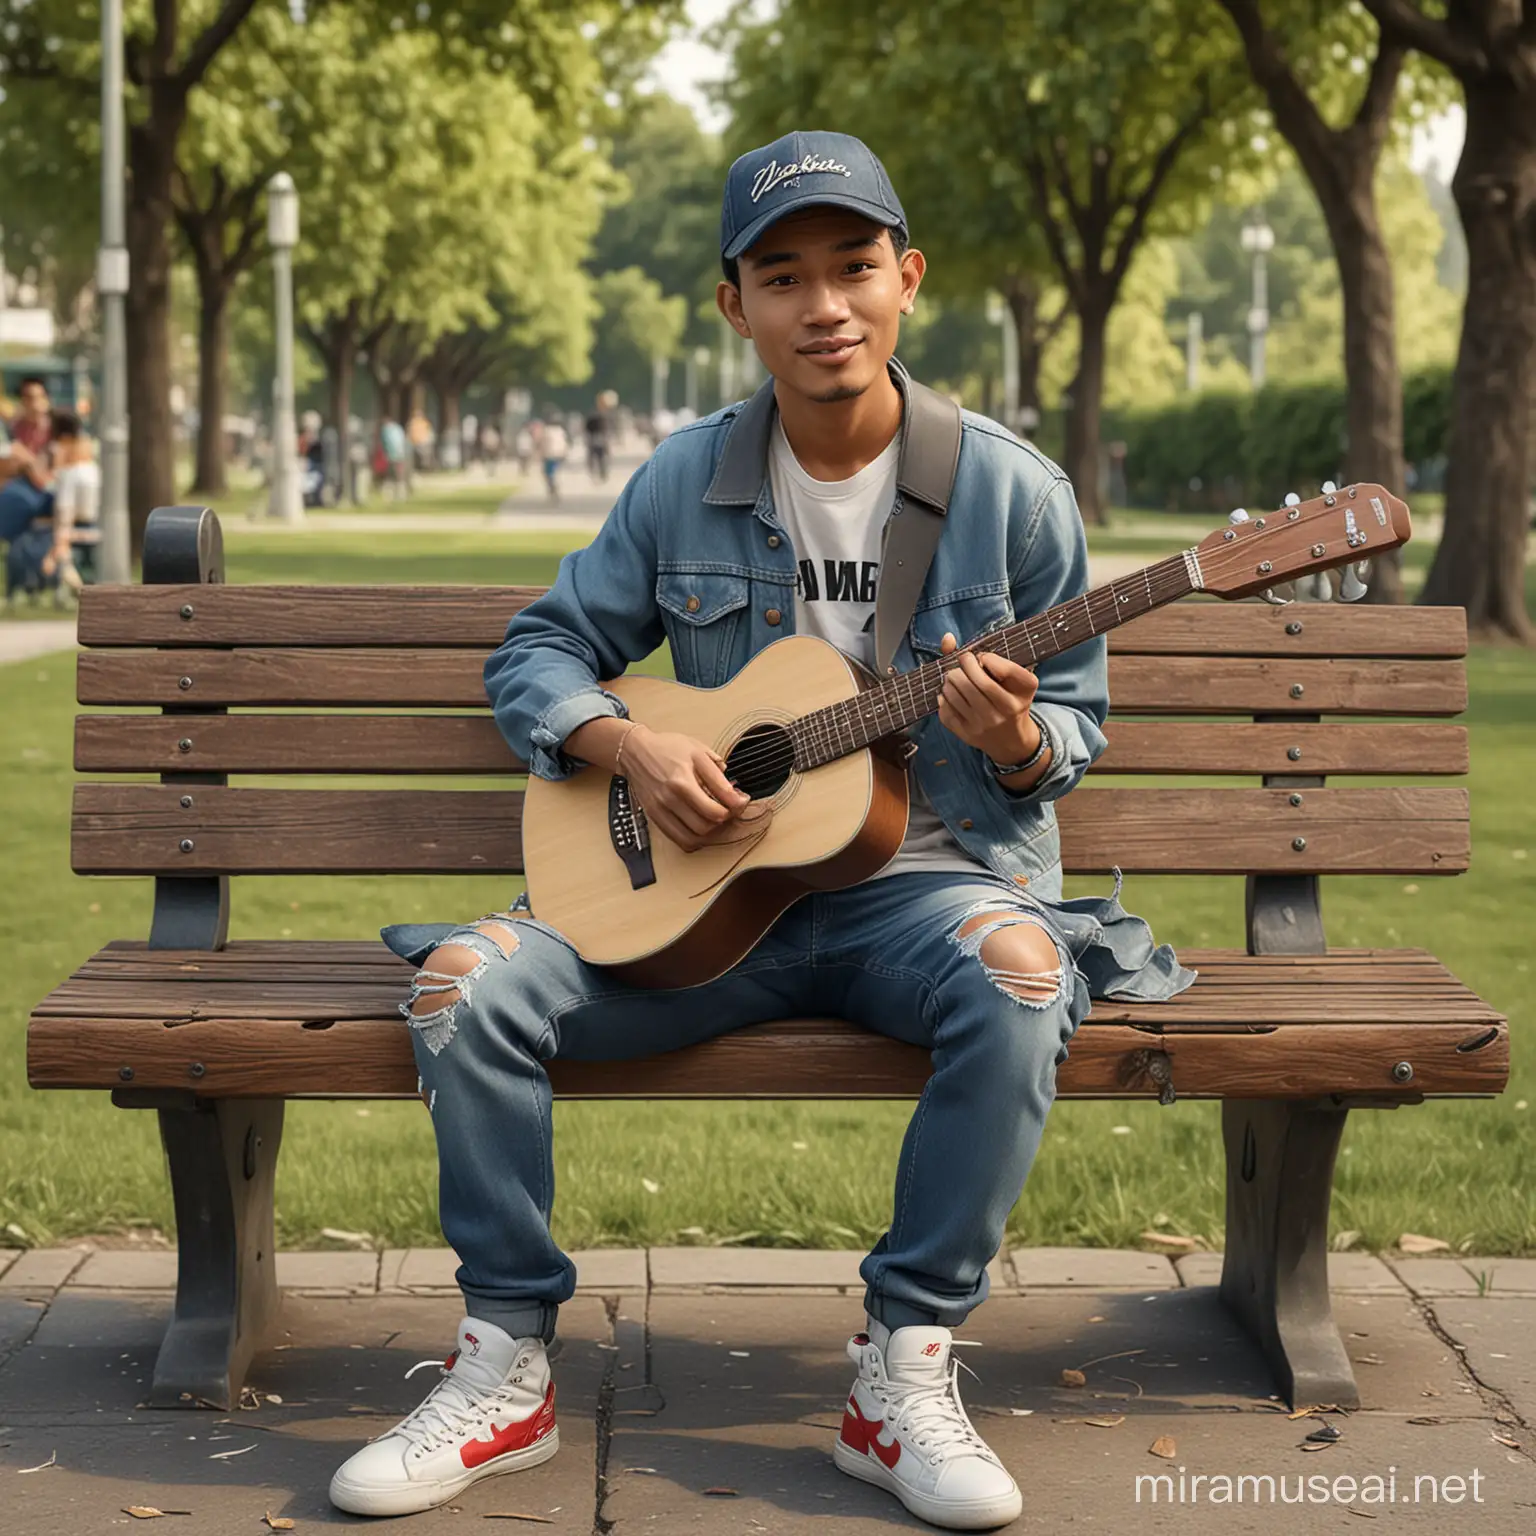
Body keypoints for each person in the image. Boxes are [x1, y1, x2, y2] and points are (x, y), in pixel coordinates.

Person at [333, 130, 1194, 1526]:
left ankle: (901, 1371)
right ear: (735, 306)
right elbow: (541, 653)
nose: (825, 305)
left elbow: (1073, 735)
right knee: (464, 986)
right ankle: (504, 1365)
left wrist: (1018, 736)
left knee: (1028, 980)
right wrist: (626, 743)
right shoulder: (683, 480)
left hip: (926, 896)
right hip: (699, 912)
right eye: (783, 277)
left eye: (855, 267)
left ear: (907, 278)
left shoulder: (1010, 492)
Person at [583, 395, 612, 483]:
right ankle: (601, 473)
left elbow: (587, 428)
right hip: (599, 439)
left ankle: (598, 473)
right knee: (600, 457)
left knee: (597, 457)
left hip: (596, 439)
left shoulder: (597, 416)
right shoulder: (603, 416)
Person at [539, 414, 568, 502]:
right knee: (552, 472)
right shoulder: (560, 431)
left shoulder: (546, 431)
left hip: (549, 455)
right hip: (558, 455)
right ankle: (553, 487)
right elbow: (564, 443)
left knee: (548, 473)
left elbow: (543, 443)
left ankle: (552, 487)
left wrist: (541, 453)